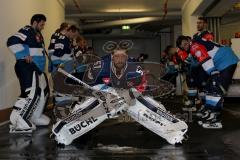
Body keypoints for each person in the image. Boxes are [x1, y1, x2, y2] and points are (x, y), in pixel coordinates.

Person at [51, 48, 188, 145]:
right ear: (111, 57)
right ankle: (63, 131)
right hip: (106, 92)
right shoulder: (101, 65)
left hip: (127, 93)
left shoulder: (135, 67)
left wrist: (128, 95)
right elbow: (90, 83)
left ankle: (173, 131)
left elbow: (141, 86)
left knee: (144, 106)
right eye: (117, 56)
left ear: (127, 57)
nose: (120, 59)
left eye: (123, 56)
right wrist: (101, 92)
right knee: (94, 107)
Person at [176, 35, 239, 129]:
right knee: (210, 87)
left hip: (226, 60)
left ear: (188, 40)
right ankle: (210, 112)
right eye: (183, 47)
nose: (185, 47)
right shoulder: (194, 44)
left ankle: (215, 119)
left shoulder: (194, 45)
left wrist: (213, 73)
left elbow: (204, 58)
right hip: (222, 61)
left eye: (185, 44)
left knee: (216, 88)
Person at [7, 14, 50, 133]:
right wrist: (23, 55)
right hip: (27, 67)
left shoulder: (37, 34)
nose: (43, 27)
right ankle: (20, 120)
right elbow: (11, 41)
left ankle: (35, 117)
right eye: (42, 24)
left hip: (37, 69)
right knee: (30, 93)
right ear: (35, 22)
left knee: (43, 93)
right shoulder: (27, 30)